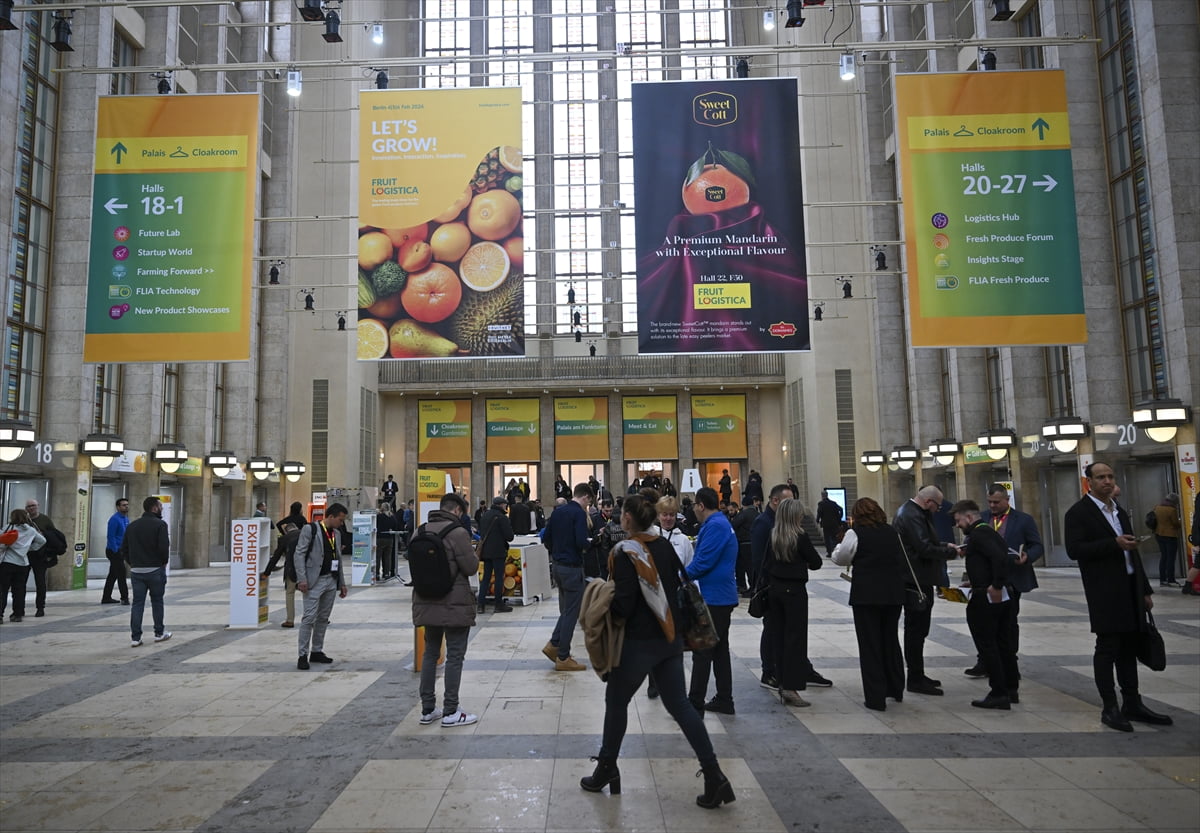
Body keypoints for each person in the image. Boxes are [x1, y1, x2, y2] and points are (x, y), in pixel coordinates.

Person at [579, 491, 736, 809]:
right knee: (680, 706)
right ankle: (714, 775)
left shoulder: (625, 552)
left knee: (616, 701)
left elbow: (623, 604)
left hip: (640, 642)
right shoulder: (664, 546)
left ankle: (606, 768)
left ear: (626, 519)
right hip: (670, 637)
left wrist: (601, 603)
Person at [1065, 462, 1172, 732]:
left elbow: (1132, 551)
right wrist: (1113, 544)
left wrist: (1145, 590)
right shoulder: (1078, 513)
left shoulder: (1118, 511)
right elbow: (1075, 549)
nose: (1107, 481)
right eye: (1101, 477)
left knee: (1130, 646)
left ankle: (1132, 703)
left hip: (1130, 587)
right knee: (1108, 648)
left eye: (1111, 476)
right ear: (1088, 481)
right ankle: (1110, 707)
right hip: (1105, 591)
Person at [832, 497, 907, 711]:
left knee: (870, 644)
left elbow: (841, 558)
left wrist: (838, 546)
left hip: (867, 594)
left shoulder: (856, 533)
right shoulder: (891, 531)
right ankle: (896, 688)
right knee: (890, 640)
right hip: (892, 593)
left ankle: (876, 697)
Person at [415, 493, 480, 727]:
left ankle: (428, 709)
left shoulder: (420, 531)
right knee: (454, 656)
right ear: (458, 511)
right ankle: (451, 711)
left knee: (431, 653)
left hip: (426, 600)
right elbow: (471, 567)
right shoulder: (458, 533)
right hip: (454, 603)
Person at [970, 485, 1043, 680]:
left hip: (1012, 577)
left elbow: (1037, 545)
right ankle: (984, 660)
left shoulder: (1023, 520)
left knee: (1009, 621)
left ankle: (1010, 660)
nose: (992, 506)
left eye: (996, 502)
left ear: (1006, 500)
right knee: (985, 621)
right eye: (990, 502)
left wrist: (1028, 557)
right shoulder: (983, 518)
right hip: (987, 578)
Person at [951, 499, 1018, 710]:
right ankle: (1010, 688)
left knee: (988, 645)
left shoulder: (979, 535)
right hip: (998, 593)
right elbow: (994, 559)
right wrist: (977, 580)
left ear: (969, 517)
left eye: (959, 520)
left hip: (987, 598)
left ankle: (998, 692)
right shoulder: (989, 532)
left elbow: (999, 558)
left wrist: (995, 585)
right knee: (1003, 643)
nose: (958, 525)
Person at [892, 485, 958, 696]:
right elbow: (923, 548)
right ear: (929, 502)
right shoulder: (912, 515)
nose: (938, 510)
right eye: (937, 506)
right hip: (915, 581)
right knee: (916, 630)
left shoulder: (911, 511)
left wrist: (945, 544)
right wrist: (949, 553)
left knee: (919, 630)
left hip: (917, 579)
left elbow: (924, 542)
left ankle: (918, 674)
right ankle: (915, 678)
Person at [763, 498, 827, 707]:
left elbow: (765, 564)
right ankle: (791, 687)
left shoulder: (773, 535)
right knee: (795, 640)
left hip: (775, 591)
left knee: (779, 638)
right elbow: (816, 562)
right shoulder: (799, 536)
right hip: (794, 592)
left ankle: (782, 682)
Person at [686, 486, 739, 715]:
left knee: (703, 651)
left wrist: (676, 576)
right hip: (718, 595)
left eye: (695, 506)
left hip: (716, 598)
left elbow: (702, 563)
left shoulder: (716, 525)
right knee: (718, 650)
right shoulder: (717, 523)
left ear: (700, 505)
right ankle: (724, 699)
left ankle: (694, 704)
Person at [541, 483, 592, 671]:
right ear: (585, 497)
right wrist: (589, 545)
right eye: (588, 502)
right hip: (572, 568)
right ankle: (563, 656)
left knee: (566, 610)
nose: (587, 506)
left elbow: (546, 538)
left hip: (558, 566)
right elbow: (580, 541)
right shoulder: (578, 513)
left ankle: (553, 644)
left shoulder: (558, 512)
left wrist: (557, 552)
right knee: (572, 612)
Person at [295, 503, 350, 670]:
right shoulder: (310, 529)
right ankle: (302, 654)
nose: (342, 523)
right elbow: (299, 553)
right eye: (340, 520)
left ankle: (317, 650)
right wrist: (301, 579)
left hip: (331, 580)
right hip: (314, 580)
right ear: (331, 516)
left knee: (323, 618)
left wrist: (342, 583)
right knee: (309, 617)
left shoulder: (337, 534)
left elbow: (338, 558)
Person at [750, 484, 788, 690]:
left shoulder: (782, 523)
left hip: (784, 586)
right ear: (775, 501)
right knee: (771, 627)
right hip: (771, 586)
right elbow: (758, 559)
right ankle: (768, 670)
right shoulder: (763, 523)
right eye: (788, 501)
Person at [121, 497, 171, 646]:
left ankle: (135, 638)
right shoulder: (160, 525)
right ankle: (159, 633)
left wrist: (133, 563)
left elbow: (124, 548)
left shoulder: (132, 526)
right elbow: (163, 547)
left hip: (137, 570)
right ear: (154, 508)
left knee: (137, 603)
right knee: (157, 601)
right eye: (160, 506)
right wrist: (162, 563)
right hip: (155, 569)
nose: (162, 508)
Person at [0, 508, 46, 622]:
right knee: (19, 590)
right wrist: (29, 549)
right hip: (23, 564)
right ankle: (18, 614)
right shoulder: (31, 530)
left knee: (3, 589)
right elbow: (42, 540)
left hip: (7, 563)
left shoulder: (8, 528)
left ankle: (0, 615)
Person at [477, 496, 515, 613]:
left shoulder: (485, 516)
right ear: (501, 505)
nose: (506, 507)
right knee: (499, 578)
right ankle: (498, 604)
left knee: (486, 578)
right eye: (505, 505)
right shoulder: (502, 517)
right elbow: (510, 537)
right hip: (498, 552)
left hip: (486, 552)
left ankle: (480, 605)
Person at [24, 499, 59, 617]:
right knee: (20, 582)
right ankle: (19, 608)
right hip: (25, 555)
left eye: (33, 506)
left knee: (40, 582)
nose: (31, 508)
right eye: (29, 506)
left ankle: (40, 607)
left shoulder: (45, 519)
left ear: (38, 506)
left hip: (40, 555)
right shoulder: (23, 521)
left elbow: (53, 535)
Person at [270, 522, 301, 628]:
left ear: (286, 530)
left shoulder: (284, 539)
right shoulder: (304, 534)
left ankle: (290, 620)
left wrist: (266, 572)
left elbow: (276, 556)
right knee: (311, 594)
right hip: (307, 569)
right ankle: (315, 618)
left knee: (290, 593)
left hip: (291, 569)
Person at [102, 497, 131, 605]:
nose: (126, 507)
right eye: (124, 505)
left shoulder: (126, 519)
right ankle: (125, 597)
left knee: (113, 575)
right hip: (114, 551)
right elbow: (111, 537)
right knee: (121, 574)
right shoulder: (114, 519)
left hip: (121, 550)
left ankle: (106, 597)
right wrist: (116, 550)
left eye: (127, 504)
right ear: (118, 507)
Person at [1152, 493, 1182, 587]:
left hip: (1159, 534)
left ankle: (1163, 579)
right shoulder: (1172, 510)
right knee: (1171, 558)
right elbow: (1175, 523)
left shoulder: (1157, 507)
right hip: (1170, 536)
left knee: (1164, 557)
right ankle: (1171, 579)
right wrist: (1180, 522)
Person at [731, 499, 759, 595]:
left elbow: (734, 524)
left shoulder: (743, 514)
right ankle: (754, 586)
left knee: (744, 566)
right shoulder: (757, 513)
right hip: (754, 542)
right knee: (752, 567)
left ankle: (746, 587)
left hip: (743, 542)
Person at [816, 490, 843, 557]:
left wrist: (817, 520)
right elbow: (841, 510)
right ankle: (835, 551)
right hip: (834, 523)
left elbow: (819, 513)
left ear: (822, 496)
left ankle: (829, 552)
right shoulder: (833, 503)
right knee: (834, 538)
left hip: (826, 524)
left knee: (827, 538)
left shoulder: (821, 504)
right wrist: (839, 519)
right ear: (827, 495)